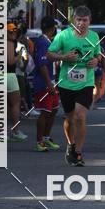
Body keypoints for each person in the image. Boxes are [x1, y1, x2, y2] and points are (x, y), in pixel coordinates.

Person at [47, 6, 102, 166]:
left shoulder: (94, 36)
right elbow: (49, 54)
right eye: (78, 20)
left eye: (85, 20)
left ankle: (78, 152)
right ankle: (71, 144)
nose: (81, 23)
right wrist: (64, 57)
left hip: (86, 83)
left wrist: (96, 60)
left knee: (80, 116)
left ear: (89, 21)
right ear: (74, 21)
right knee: (70, 119)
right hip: (66, 83)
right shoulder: (63, 36)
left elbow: (98, 54)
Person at [32, 16, 60, 152]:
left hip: (51, 80)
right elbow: (42, 64)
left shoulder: (48, 41)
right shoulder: (43, 42)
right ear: (53, 28)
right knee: (45, 111)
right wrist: (49, 84)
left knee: (54, 109)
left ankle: (46, 137)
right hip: (44, 83)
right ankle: (39, 141)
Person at [7, 24, 28, 142]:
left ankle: (2, 133)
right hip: (9, 75)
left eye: (15, 31)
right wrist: (19, 55)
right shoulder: (9, 43)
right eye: (11, 32)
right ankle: (15, 131)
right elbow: (10, 61)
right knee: (15, 104)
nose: (13, 34)